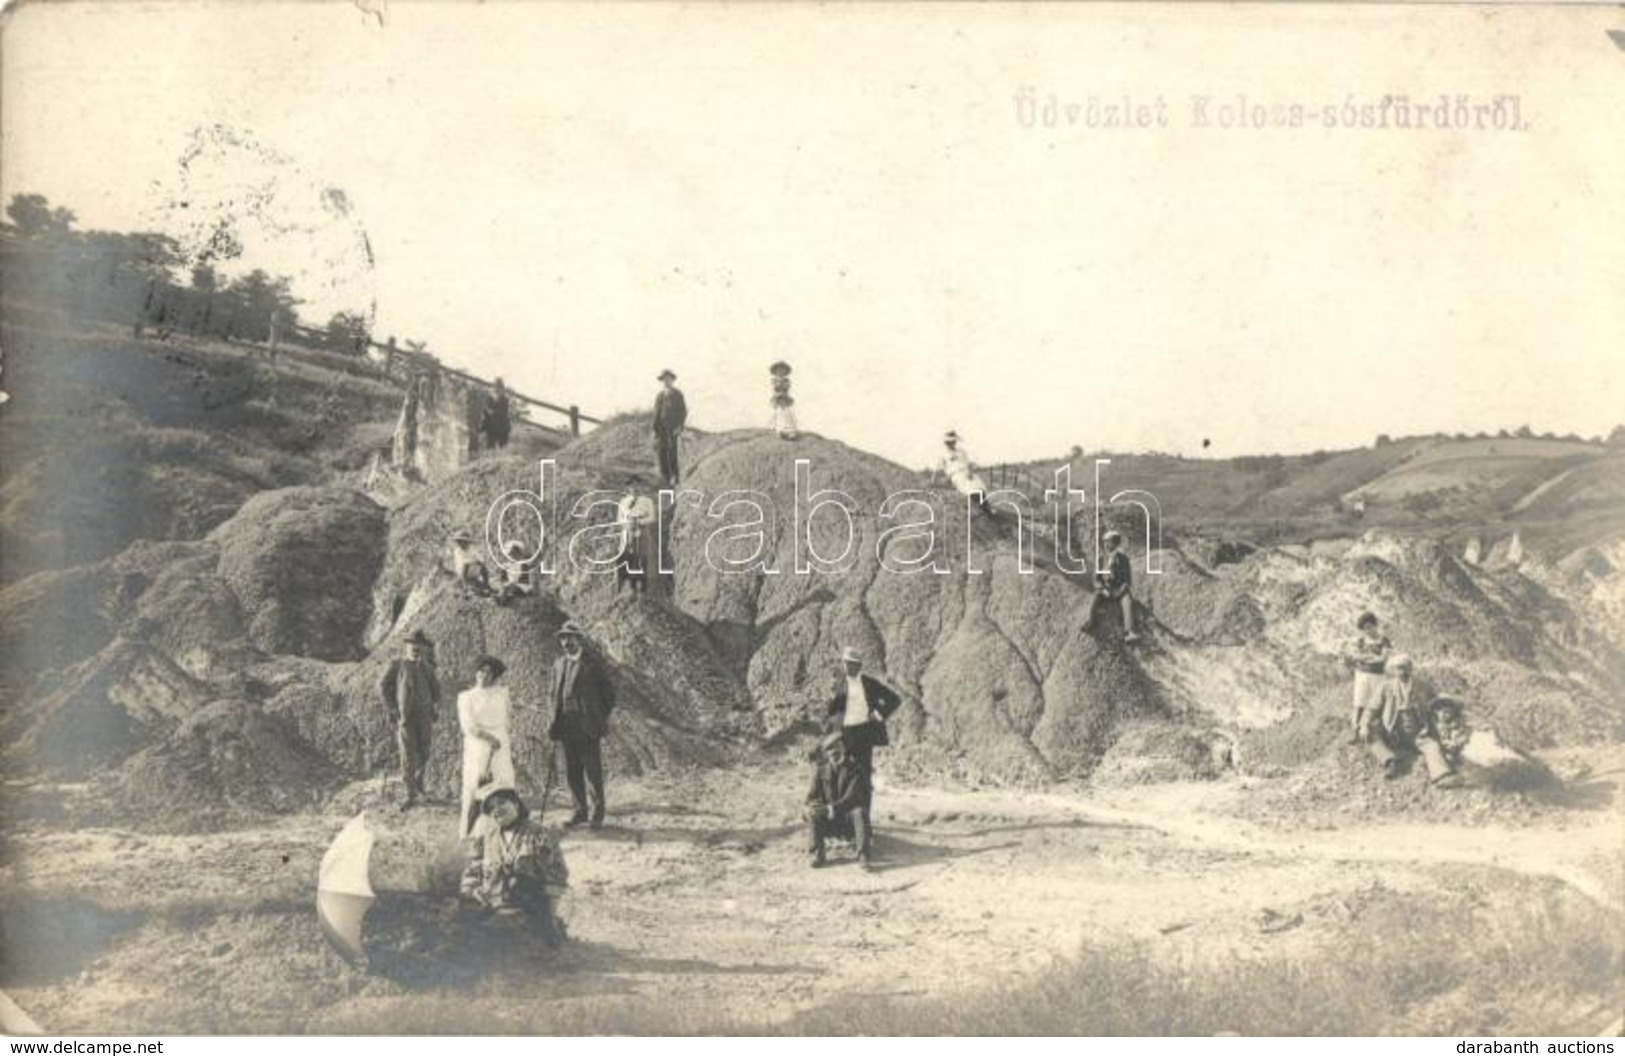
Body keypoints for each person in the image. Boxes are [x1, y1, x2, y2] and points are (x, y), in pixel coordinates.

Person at [460, 785, 569, 946]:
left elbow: (556, 878)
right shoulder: (487, 839)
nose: (496, 810)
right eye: (491, 808)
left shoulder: (539, 834)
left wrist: (550, 919)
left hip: (530, 913)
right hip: (492, 908)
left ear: (516, 804)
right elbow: (472, 874)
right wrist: (472, 892)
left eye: (501, 802)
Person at [825, 647, 901, 867]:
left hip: (863, 737)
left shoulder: (868, 683)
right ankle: (844, 827)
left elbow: (894, 699)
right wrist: (832, 701)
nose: (848, 666)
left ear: (859, 665)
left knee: (864, 782)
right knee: (840, 779)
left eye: (852, 663)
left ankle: (864, 833)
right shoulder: (839, 684)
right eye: (846, 662)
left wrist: (877, 714)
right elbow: (831, 712)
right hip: (843, 737)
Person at [547, 621, 616, 829]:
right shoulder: (558, 665)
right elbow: (552, 695)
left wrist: (596, 717)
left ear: (580, 640)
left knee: (592, 772)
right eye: (563, 638)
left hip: (587, 727)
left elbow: (609, 697)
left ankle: (597, 814)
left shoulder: (593, 664)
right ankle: (580, 811)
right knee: (572, 771)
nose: (567, 642)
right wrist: (553, 719)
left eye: (571, 637)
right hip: (566, 726)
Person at [1378, 654, 1464, 788]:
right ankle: (1390, 761)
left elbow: (1436, 703)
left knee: (1432, 746)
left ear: (1411, 669)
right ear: (1393, 671)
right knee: (1369, 732)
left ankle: (1441, 777)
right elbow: (1372, 707)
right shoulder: (1386, 687)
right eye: (1398, 669)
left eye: (1405, 668)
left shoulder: (1423, 686)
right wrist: (1365, 723)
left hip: (1417, 733)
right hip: (1393, 732)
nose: (1402, 672)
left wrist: (1450, 707)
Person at [380, 629, 440, 810]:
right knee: (407, 755)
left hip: (425, 718)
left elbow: (436, 689)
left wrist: (435, 705)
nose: (415, 649)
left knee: (425, 751)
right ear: (406, 647)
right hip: (406, 718)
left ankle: (419, 785)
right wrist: (392, 709)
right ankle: (409, 793)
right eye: (412, 646)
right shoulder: (397, 665)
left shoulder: (428, 668)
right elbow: (383, 686)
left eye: (419, 646)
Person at [458, 656, 515, 839]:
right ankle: (469, 832)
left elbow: (508, 717)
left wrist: (500, 738)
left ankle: (504, 828)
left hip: (501, 745)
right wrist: (490, 738)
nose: (484, 675)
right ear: (476, 673)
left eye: (489, 672)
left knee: (503, 783)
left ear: (494, 675)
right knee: (475, 786)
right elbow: (470, 726)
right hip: (478, 746)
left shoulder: (501, 693)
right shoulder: (466, 697)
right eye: (481, 670)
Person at [805, 732, 871, 869]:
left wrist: (829, 809)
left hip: (849, 821)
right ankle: (818, 853)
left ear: (844, 749)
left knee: (859, 811)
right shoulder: (820, 771)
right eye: (830, 750)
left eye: (837, 749)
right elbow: (811, 796)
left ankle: (863, 854)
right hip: (828, 821)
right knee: (813, 810)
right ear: (826, 754)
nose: (834, 753)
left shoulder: (855, 770)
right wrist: (812, 806)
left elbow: (851, 798)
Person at [1081, 530, 1139, 643]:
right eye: (1105, 542)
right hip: (1105, 589)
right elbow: (1096, 579)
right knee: (1095, 597)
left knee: (1128, 600)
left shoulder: (1124, 559)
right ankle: (1091, 623)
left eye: (1109, 542)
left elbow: (1127, 580)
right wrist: (1102, 589)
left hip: (1119, 590)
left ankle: (1130, 631)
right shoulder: (1101, 559)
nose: (1106, 544)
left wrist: (1121, 591)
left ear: (1115, 543)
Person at [1344, 611, 1391, 744]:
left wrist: (1367, 658)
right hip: (1362, 675)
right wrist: (1369, 658)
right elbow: (1355, 656)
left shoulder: (1384, 641)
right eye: (1364, 629)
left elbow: (1384, 659)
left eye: (1369, 627)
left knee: (1378, 703)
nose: (1367, 631)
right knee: (1359, 703)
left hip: (1379, 676)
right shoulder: (1361, 641)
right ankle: (1355, 733)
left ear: (1375, 625)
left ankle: (1383, 734)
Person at [615, 487, 659, 595]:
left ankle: (643, 587)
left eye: (637, 488)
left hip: (641, 534)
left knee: (642, 558)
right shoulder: (623, 502)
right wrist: (629, 521)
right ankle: (629, 585)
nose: (634, 491)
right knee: (627, 557)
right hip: (628, 534)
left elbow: (653, 518)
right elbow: (619, 519)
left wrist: (639, 520)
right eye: (631, 489)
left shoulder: (647, 501)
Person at [653, 369, 687, 487]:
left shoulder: (677, 394)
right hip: (661, 428)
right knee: (662, 453)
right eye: (664, 379)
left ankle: (675, 476)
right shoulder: (660, 396)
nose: (666, 381)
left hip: (672, 428)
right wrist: (655, 430)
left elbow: (682, 411)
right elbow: (656, 413)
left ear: (672, 380)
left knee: (672, 451)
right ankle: (665, 477)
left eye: (668, 379)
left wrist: (679, 426)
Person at [941, 431, 991, 512]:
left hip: (965, 471)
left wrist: (969, 472)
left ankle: (986, 506)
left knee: (977, 484)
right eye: (949, 442)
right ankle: (976, 505)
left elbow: (967, 463)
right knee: (967, 486)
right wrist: (949, 477)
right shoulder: (944, 455)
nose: (951, 444)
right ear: (946, 443)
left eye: (953, 442)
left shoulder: (961, 451)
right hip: (955, 474)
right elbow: (944, 468)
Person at [449, 529, 493, 595]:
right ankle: (465, 585)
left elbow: (480, 559)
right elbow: (463, 562)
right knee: (466, 565)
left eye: (463, 542)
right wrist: (473, 561)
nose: (461, 544)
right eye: (459, 542)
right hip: (463, 571)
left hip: (472, 570)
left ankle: (486, 584)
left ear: (467, 542)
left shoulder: (472, 549)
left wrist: (479, 562)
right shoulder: (457, 551)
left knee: (483, 567)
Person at [769, 360, 799, 440]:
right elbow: (774, 390)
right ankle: (780, 430)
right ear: (775, 372)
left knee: (787, 413)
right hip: (778, 399)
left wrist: (783, 394)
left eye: (782, 370)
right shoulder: (774, 381)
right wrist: (777, 395)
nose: (780, 372)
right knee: (779, 413)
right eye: (779, 370)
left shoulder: (786, 381)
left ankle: (790, 431)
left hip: (785, 399)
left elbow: (786, 388)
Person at [481, 379, 512, 451]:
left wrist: (493, 412)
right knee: (490, 447)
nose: (497, 389)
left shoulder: (504, 398)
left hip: (502, 425)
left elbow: (504, 412)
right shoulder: (490, 397)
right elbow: (486, 410)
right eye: (496, 387)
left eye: (499, 387)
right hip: (493, 426)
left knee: (502, 447)